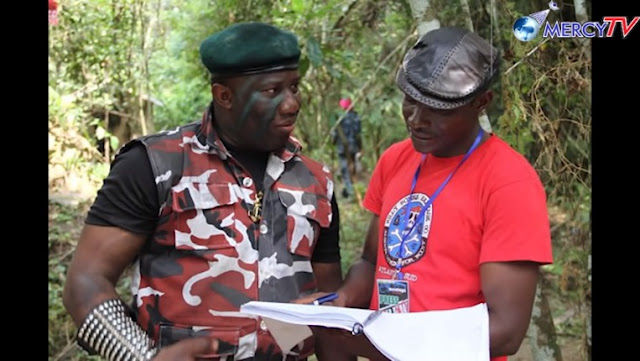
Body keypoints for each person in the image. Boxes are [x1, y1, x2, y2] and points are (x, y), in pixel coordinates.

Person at [62, 21, 344, 361]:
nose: (291, 104)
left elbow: (331, 309)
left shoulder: (315, 181)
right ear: (224, 95)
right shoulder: (154, 165)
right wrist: (142, 357)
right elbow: (84, 283)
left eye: (295, 87)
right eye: (272, 91)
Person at [301, 27, 554, 361]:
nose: (417, 120)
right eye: (410, 101)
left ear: (482, 103)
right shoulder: (396, 159)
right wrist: (342, 301)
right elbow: (370, 261)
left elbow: (505, 333)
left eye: (439, 110)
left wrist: (373, 343)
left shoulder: (509, 183)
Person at [331, 98, 362, 199]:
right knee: (352, 168)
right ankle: (352, 189)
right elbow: (358, 135)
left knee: (345, 169)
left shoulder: (340, 118)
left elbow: (335, 134)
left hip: (343, 148)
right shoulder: (356, 117)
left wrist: (333, 142)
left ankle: (351, 192)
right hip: (353, 147)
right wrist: (360, 147)